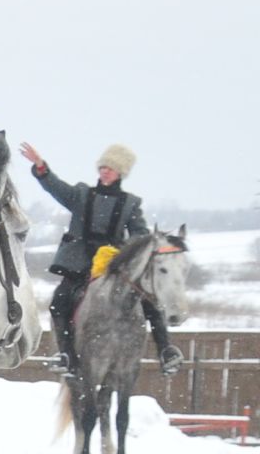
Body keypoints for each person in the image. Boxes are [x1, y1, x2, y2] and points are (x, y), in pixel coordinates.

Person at [18, 139, 180, 375]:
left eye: (110, 168)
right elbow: (56, 187)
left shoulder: (130, 204)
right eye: (102, 167)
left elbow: (139, 235)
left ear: (120, 173)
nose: (105, 171)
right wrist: (41, 166)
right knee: (59, 302)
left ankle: (166, 351)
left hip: (113, 266)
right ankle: (67, 356)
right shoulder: (82, 194)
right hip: (78, 264)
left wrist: (122, 252)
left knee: (150, 302)